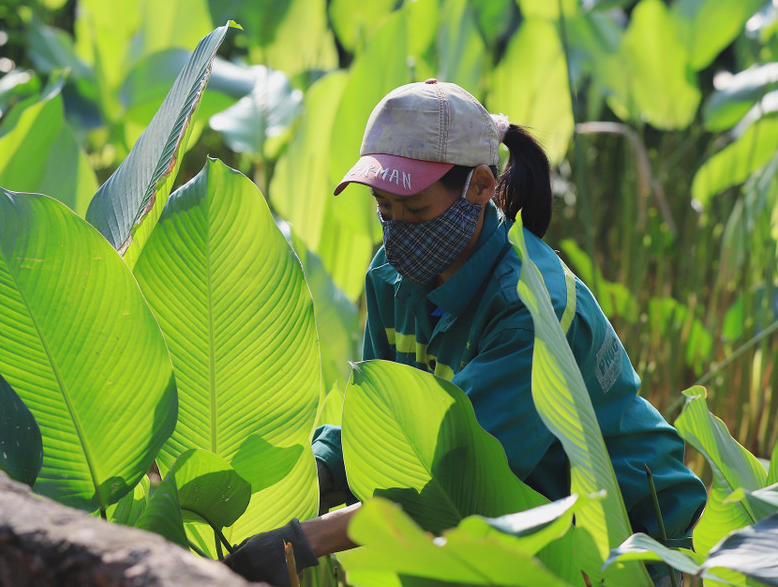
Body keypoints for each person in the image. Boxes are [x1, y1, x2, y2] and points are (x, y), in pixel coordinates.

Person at [223, 79, 707, 586]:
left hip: (634, 547)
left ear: (479, 187)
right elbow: (379, 425)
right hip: (519, 538)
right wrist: (314, 479)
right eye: (385, 211)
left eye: (415, 211)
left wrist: (303, 543)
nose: (397, 233)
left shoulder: (530, 307)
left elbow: (451, 486)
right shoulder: (390, 278)